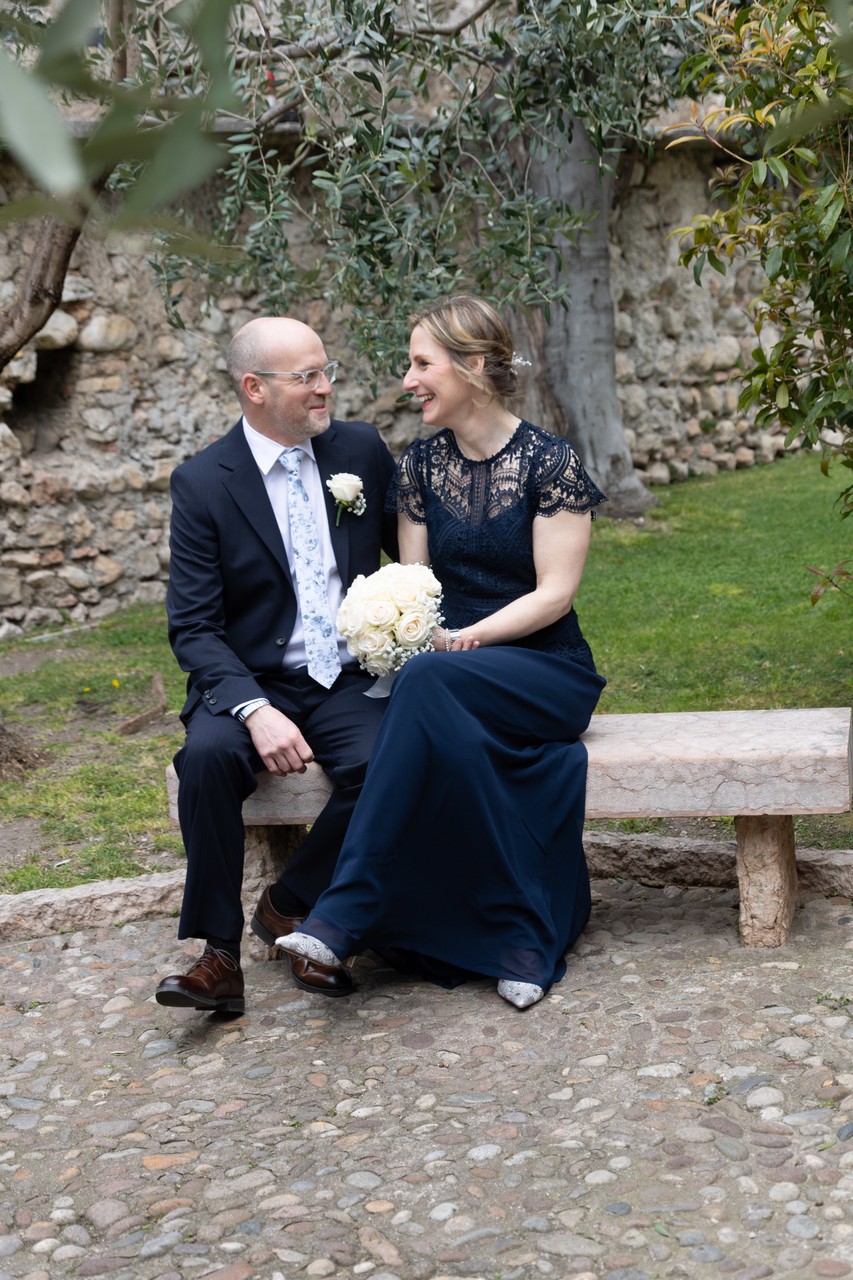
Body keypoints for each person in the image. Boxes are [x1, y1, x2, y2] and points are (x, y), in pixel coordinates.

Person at [279, 295, 607, 1010]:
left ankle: (341, 913)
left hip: (545, 672)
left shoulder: (551, 462)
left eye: (422, 364)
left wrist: (463, 640)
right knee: (437, 703)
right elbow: (415, 585)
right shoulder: (421, 466)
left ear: (475, 366)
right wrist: (423, 635)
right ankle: (520, 940)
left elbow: (554, 595)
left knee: (428, 681)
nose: (408, 380)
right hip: (448, 677)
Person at [155, 316, 397, 1014]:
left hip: (348, 676)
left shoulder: (359, 449)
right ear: (254, 388)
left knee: (392, 763)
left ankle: (293, 907)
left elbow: (413, 553)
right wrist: (254, 710)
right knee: (205, 759)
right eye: (307, 377)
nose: (325, 388)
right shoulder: (203, 482)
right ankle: (218, 957)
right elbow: (194, 626)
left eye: (326, 371)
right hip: (250, 680)